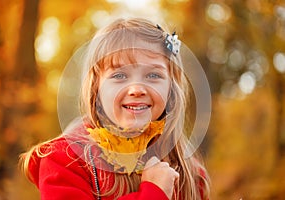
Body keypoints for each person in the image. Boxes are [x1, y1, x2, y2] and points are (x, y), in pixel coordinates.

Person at [20, 18, 210, 200]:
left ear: (171, 88)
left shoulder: (187, 172)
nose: (137, 89)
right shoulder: (64, 161)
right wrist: (153, 192)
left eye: (153, 75)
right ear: (96, 88)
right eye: (119, 75)